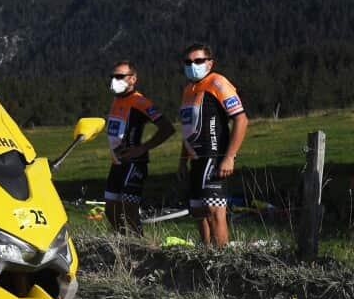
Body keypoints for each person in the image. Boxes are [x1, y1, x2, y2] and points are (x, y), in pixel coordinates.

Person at [178, 43, 249, 247]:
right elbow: (187, 129)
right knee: (199, 212)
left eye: (198, 61)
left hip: (215, 155)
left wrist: (229, 157)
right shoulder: (188, 90)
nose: (193, 65)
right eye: (188, 62)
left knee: (214, 211)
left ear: (210, 63)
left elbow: (241, 119)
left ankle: (222, 262)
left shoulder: (217, 82)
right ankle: (207, 258)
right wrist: (182, 162)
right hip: (195, 160)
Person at [103, 61, 175, 235]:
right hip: (117, 163)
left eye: (120, 76)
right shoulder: (116, 100)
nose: (114, 80)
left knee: (129, 207)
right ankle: (122, 244)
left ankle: (138, 243)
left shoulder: (140, 102)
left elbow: (167, 128)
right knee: (111, 209)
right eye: (112, 76)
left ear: (133, 79)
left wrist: (143, 148)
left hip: (135, 162)